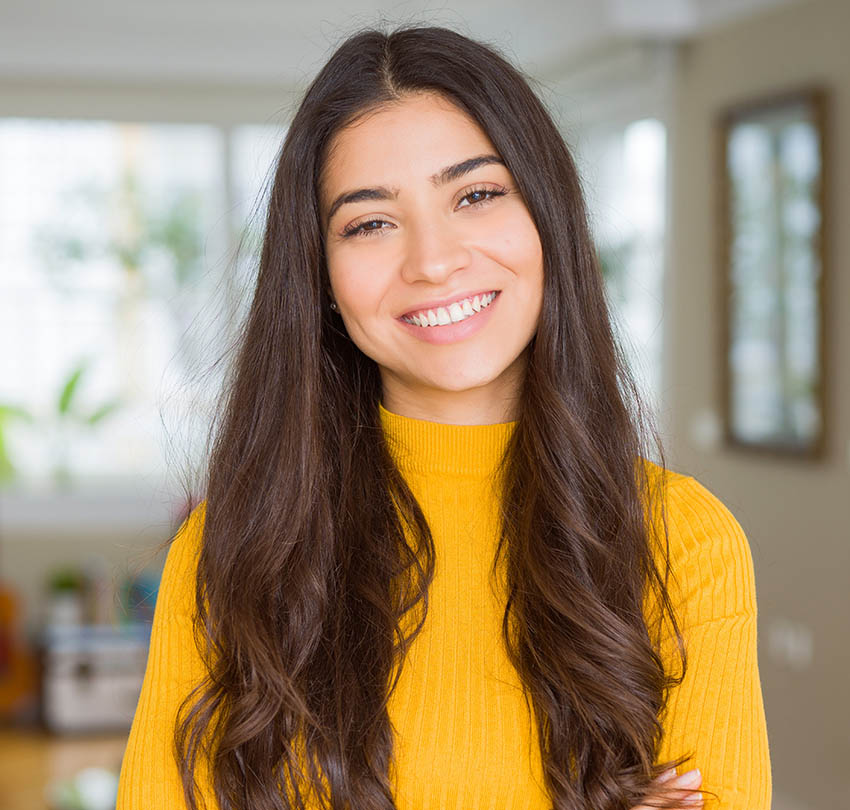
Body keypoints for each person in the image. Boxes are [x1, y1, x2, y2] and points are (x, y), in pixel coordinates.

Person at [116, 25, 771, 810]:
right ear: (321, 275)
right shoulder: (232, 553)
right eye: (370, 222)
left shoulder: (684, 543)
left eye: (476, 194)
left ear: (548, 223)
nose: (432, 259)